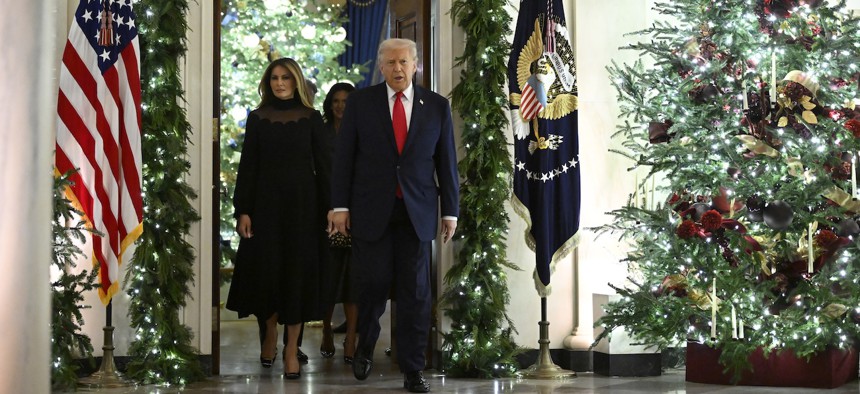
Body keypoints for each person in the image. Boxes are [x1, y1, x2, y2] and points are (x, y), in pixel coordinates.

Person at [329, 38, 459, 393]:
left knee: (416, 293)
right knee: (372, 283)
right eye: (390, 62)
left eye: (404, 61)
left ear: (415, 65)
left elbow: (445, 162)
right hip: (371, 209)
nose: (398, 68)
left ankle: (413, 368)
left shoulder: (435, 106)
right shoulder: (361, 103)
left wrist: (451, 211)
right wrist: (339, 207)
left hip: (416, 212)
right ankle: (365, 344)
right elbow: (344, 159)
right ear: (381, 67)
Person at [226, 57, 330, 379]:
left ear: (296, 81)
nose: (280, 83)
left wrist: (332, 209)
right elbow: (249, 167)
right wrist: (243, 209)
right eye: (274, 78)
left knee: (296, 275)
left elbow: (326, 169)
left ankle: (291, 348)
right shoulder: (257, 118)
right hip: (265, 207)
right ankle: (269, 335)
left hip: (303, 209)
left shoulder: (313, 119)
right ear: (268, 82)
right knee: (267, 273)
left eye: (286, 77)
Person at [319, 82, 358, 363]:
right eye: (336, 100)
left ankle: (352, 337)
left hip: (357, 212)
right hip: (323, 210)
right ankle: (326, 330)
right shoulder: (320, 131)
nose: (340, 105)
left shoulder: (363, 128)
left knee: (352, 279)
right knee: (327, 277)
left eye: (346, 100)